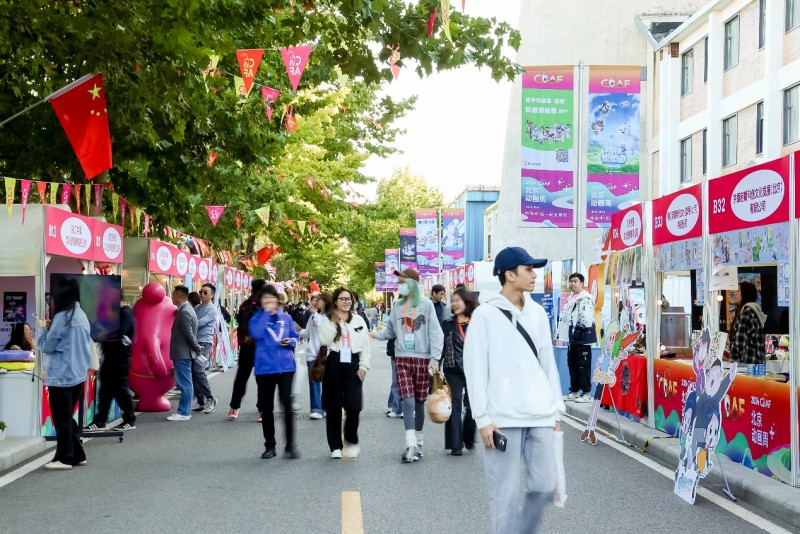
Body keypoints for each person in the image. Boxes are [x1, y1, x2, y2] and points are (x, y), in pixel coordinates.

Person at [463, 247, 565, 534]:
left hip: (540, 413)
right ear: (510, 275)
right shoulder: (484, 315)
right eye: (528, 269)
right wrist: (482, 418)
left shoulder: (538, 313)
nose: (534, 275)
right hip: (502, 418)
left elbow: (548, 362)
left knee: (545, 485)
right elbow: (475, 369)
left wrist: (556, 407)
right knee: (503, 497)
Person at [371, 269, 444, 463]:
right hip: (402, 358)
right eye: (399, 282)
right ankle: (410, 444)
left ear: (413, 284)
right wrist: (374, 335)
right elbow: (390, 332)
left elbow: (436, 333)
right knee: (408, 401)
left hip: (422, 359)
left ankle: (418, 443)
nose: (400, 285)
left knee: (419, 403)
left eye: (403, 282)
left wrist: (435, 360)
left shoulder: (426, 305)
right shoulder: (397, 306)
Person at [36, 279, 92, 470]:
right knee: (66, 417)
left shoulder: (62, 318)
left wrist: (42, 328)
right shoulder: (81, 315)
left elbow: (47, 347)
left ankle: (65, 458)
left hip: (61, 375)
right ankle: (77, 454)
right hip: (78, 374)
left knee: (62, 419)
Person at [318, 288, 371, 459]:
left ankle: (350, 438)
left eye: (349, 299)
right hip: (334, 362)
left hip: (353, 363)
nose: (347, 302)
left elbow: (365, 346)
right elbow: (324, 340)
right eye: (342, 299)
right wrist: (336, 322)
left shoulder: (358, 320)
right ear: (335, 301)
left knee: (354, 406)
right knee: (333, 406)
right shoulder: (326, 319)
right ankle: (335, 446)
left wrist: (363, 366)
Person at [249, 284, 301, 459]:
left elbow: (295, 335)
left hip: (286, 366)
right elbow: (256, 333)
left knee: (287, 404)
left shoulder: (285, 317)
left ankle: (291, 445)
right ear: (261, 301)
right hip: (265, 368)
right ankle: (270, 445)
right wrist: (265, 313)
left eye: (273, 298)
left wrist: (291, 342)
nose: (270, 301)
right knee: (267, 407)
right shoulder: (256, 318)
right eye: (266, 299)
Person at [86, 294, 136, 432]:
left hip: (120, 358)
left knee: (120, 389)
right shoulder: (112, 315)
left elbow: (120, 332)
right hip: (110, 357)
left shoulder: (126, 314)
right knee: (105, 390)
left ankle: (130, 419)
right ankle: (100, 419)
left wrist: (101, 331)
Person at [441, 287, 478, 456]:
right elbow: (439, 346)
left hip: (473, 369)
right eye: (453, 300)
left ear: (466, 302)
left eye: (458, 300)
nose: (454, 304)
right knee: (454, 406)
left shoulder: (477, 322)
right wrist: (436, 364)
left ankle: (468, 437)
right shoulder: (447, 324)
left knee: (473, 407)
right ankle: (455, 444)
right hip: (452, 369)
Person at [229, 278, 266, 420]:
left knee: (241, 377)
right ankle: (262, 410)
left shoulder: (245, 304)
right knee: (262, 379)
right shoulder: (264, 304)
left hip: (246, 346)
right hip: (262, 347)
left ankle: (234, 407)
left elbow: (239, 321)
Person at [556, 272, 596, 403]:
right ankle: (574, 390)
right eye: (571, 281)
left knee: (583, 365)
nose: (572, 284)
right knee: (572, 365)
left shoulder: (585, 298)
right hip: (570, 338)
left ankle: (586, 392)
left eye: (575, 281)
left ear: (582, 283)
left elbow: (587, 319)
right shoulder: (571, 297)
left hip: (581, 337)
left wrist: (579, 330)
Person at [168, 285, 203, 421]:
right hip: (184, 352)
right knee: (186, 382)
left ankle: (183, 412)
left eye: (173, 294)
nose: (171, 297)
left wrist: (196, 347)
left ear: (178, 295)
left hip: (183, 353)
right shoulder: (187, 309)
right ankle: (184, 411)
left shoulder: (184, 311)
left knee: (185, 383)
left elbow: (188, 334)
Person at [298, 293, 331, 419]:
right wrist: (298, 330)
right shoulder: (313, 316)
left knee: (328, 383)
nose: (315, 302)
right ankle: (316, 408)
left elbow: (323, 327)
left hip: (327, 354)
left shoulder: (331, 316)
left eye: (319, 300)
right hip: (312, 353)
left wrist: (315, 314)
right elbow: (307, 333)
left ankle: (325, 407)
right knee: (314, 381)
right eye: (315, 300)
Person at [192, 283, 218, 414]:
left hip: (204, 343)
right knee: (193, 371)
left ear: (212, 295)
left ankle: (210, 398)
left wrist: (187, 322)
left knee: (199, 370)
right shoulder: (197, 307)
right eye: (200, 292)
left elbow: (198, 323)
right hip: (193, 342)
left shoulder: (212, 309)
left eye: (205, 292)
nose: (202, 294)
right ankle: (201, 401)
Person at [729, 280, 767, 365]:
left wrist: (733, 360)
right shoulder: (753, 310)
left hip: (746, 362)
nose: (734, 293)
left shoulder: (747, 311)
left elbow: (739, 340)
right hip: (755, 361)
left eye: (738, 291)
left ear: (745, 293)